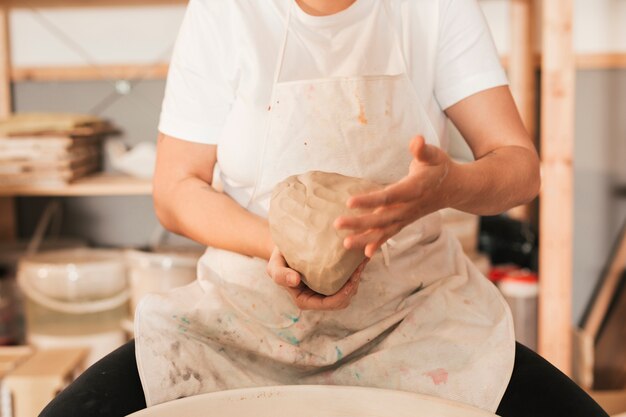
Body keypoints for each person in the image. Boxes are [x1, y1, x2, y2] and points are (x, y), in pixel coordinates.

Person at [41, 0, 609, 416]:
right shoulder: (226, 12)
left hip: (416, 319)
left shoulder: (434, 8)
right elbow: (175, 188)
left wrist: (448, 186)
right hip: (240, 321)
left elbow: (519, 167)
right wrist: (277, 246)